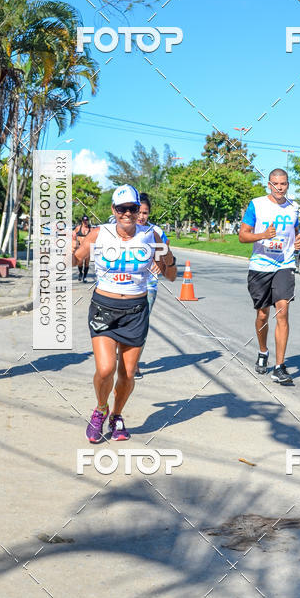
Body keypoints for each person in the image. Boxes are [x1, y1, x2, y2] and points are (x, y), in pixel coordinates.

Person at [73, 185, 177, 442]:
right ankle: (100, 409)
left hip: (135, 311)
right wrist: (66, 246)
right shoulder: (99, 234)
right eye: (122, 209)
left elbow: (172, 275)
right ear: (114, 210)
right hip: (104, 308)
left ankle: (116, 415)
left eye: (132, 208)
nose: (128, 214)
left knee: (128, 374)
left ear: (138, 209)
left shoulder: (151, 236)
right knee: (106, 369)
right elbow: (74, 261)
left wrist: (167, 257)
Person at [238, 169, 300, 386]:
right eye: (275, 184)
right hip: (260, 266)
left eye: (283, 184)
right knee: (263, 315)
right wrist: (262, 235)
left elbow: (296, 231)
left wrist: (298, 241)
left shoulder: (293, 207)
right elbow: (242, 235)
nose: (279, 188)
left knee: (282, 311)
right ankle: (263, 350)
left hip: (284, 264)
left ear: (287, 184)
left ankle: (279, 367)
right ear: (269, 185)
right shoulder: (256, 205)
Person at [135, 192, 170, 378]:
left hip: (148, 285)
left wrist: (160, 261)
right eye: (138, 212)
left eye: (145, 213)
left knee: (142, 324)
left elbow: (166, 248)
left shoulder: (155, 232)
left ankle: (135, 363)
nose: (141, 216)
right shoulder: (124, 230)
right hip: (124, 286)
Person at [72, 215, 92, 282]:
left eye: (86, 221)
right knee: (80, 263)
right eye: (84, 221)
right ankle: (80, 273)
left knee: (87, 263)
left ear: (88, 221)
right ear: (82, 221)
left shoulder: (90, 229)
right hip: (80, 248)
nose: (85, 222)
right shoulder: (78, 228)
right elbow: (73, 234)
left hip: (88, 249)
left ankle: (85, 277)